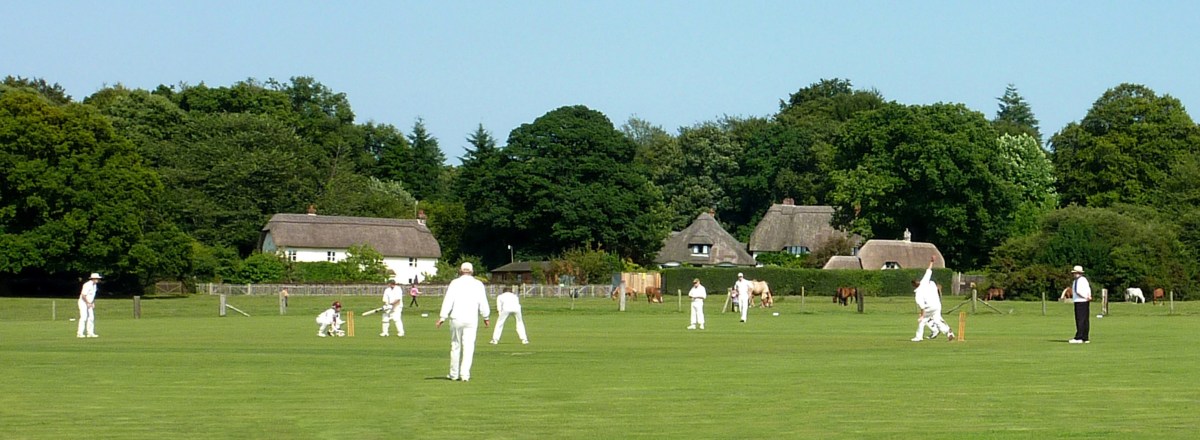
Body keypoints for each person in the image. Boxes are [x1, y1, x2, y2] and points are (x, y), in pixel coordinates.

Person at [437, 262, 490, 382]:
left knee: (455, 345)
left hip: (456, 318)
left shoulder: (455, 283)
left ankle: (454, 374)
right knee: (469, 346)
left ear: (460, 271)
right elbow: (483, 301)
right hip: (471, 319)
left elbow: (448, 300)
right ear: (472, 271)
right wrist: (486, 317)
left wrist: (442, 317)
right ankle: (465, 374)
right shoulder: (478, 284)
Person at [912, 256, 954, 342]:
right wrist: (932, 261)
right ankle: (948, 332)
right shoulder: (925, 281)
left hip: (929, 307)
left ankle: (918, 337)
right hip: (937, 305)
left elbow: (922, 307)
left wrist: (922, 316)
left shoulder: (918, 293)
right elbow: (929, 270)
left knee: (922, 321)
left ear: (914, 286)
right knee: (938, 320)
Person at [1068, 265, 1092, 344]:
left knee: (1080, 319)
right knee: (1085, 319)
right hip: (1086, 301)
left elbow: (1077, 291)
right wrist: (1088, 297)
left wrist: (1084, 297)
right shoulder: (1085, 280)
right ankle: (1085, 337)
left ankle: (1079, 337)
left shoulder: (1077, 281)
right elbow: (1088, 289)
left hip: (1079, 301)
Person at [77, 273, 101, 338]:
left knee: (91, 317)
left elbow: (92, 296)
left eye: (98, 279)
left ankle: (90, 333)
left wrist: (92, 303)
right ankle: (80, 333)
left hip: (90, 303)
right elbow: (83, 295)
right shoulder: (87, 285)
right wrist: (87, 303)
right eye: (97, 278)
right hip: (83, 302)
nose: (98, 280)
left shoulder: (95, 285)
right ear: (93, 279)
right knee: (84, 317)